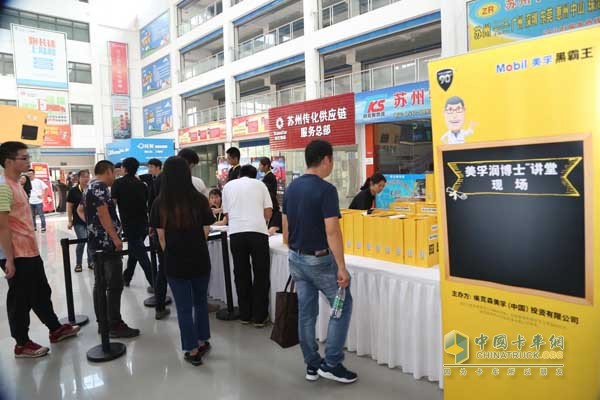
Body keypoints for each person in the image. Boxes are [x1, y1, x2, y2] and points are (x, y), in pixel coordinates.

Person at [282, 140, 356, 384]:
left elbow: (286, 227)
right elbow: (332, 230)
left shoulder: (291, 187)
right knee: (342, 306)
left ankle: (312, 365)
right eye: (331, 160)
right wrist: (342, 267)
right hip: (320, 261)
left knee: (306, 313)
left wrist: (293, 245)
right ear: (326, 159)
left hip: (296, 258)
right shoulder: (326, 190)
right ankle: (332, 363)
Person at [0, 141, 80, 358]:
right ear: (8, 161)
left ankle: (55, 329)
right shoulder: (3, 186)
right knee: (20, 299)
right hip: (16, 254)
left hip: (29, 250)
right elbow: (3, 227)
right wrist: (9, 259)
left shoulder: (18, 184)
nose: (28, 161)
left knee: (41, 292)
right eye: (24, 158)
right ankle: (22, 343)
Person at [150, 156, 215, 366]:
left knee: (184, 308)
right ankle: (203, 339)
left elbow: (161, 238)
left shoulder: (159, 203)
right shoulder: (200, 200)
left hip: (175, 262)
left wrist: (174, 252)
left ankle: (192, 349)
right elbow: (206, 231)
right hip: (199, 258)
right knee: (200, 302)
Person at [80, 160, 140, 338]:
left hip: (96, 242)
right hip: (106, 243)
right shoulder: (99, 187)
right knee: (114, 284)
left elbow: (80, 210)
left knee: (100, 284)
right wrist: (114, 236)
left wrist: (92, 227)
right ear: (107, 171)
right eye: (114, 172)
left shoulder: (89, 187)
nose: (115, 176)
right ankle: (114, 324)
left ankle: (104, 323)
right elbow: (103, 213)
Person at [222, 164, 272, 327]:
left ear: (239, 175)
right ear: (254, 175)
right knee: (261, 274)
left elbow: (227, 215)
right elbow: (268, 212)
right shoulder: (260, 184)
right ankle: (259, 317)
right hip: (258, 232)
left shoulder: (228, 186)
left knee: (241, 273)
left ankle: (245, 314)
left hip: (236, 233)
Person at [111, 158, 157, 298]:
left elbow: (113, 205)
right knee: (134, 251)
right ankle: (127, 277)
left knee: (141, 255)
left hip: (129, 225)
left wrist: (115, 225)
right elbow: (146, 204)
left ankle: (155, 284)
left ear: (124, 168)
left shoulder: (117, 183)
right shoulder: (142, 185)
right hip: (143, 223)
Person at [67, 170, 93, 272]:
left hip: (90, 221)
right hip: (78, 221)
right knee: (82, 240)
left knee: (90, 241)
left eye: (87, 176)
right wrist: (70, 220)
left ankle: (91, 262)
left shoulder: (91, 189)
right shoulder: (73, 191)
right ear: (79, 178)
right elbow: (69, 207)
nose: (86, 179)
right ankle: (78, 263)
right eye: (83, 177)